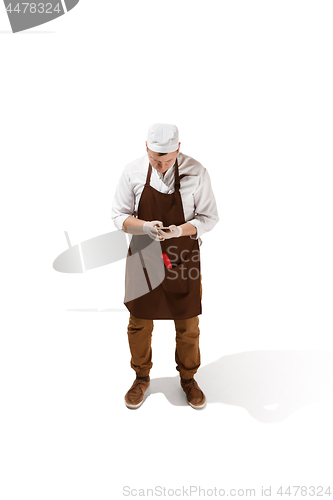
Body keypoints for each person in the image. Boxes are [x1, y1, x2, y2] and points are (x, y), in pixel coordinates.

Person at [111, 123, 219, 409]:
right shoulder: (132, 171)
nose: (161, 166)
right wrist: (145, 226)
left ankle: (188, 378)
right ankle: (141, 377)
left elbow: (209, 217)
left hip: (183, 257)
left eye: (168, 160)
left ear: (179, 149)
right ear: (145, 148)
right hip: (144, 258)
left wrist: (179, 231)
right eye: (155, 160)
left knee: (187, 323)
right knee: (139, 322)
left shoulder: (197, 172)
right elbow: (118, 215)